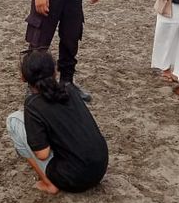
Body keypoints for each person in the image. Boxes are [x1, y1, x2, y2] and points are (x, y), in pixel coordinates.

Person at [6, 50, 108, 194]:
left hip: (74, 178)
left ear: (23, 77)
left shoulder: (33, 104)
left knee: (13, 120)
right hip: (100, 168)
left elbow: (42, 154)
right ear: (55, 71)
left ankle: (49, 184)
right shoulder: (69, 89)